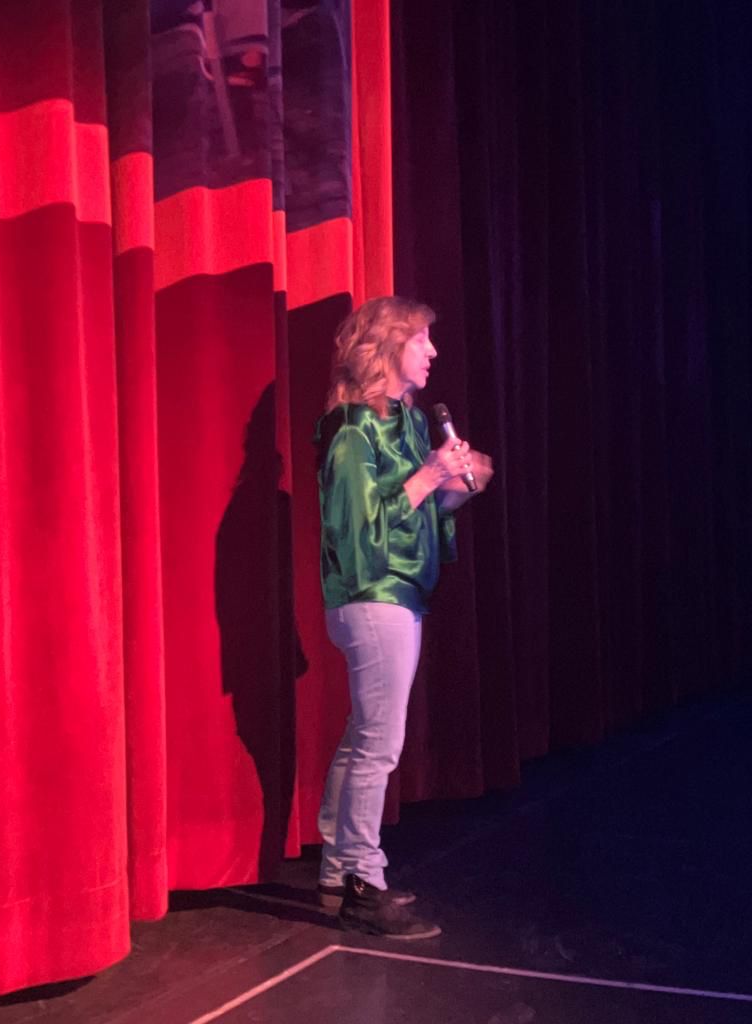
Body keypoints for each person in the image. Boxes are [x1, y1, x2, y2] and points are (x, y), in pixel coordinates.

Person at [313, 296, 493, 938]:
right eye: (420, 339)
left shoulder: (409, 423)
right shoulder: (350, 429)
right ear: (388, 347)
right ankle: (364, 882)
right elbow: (359, 532)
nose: (432, 351)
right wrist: (430, 474)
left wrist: (460, 484)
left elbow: (418, 516)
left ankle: (338, 874)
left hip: (400, 594)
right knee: (378, 746)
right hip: (371, 597)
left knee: (363, 737)